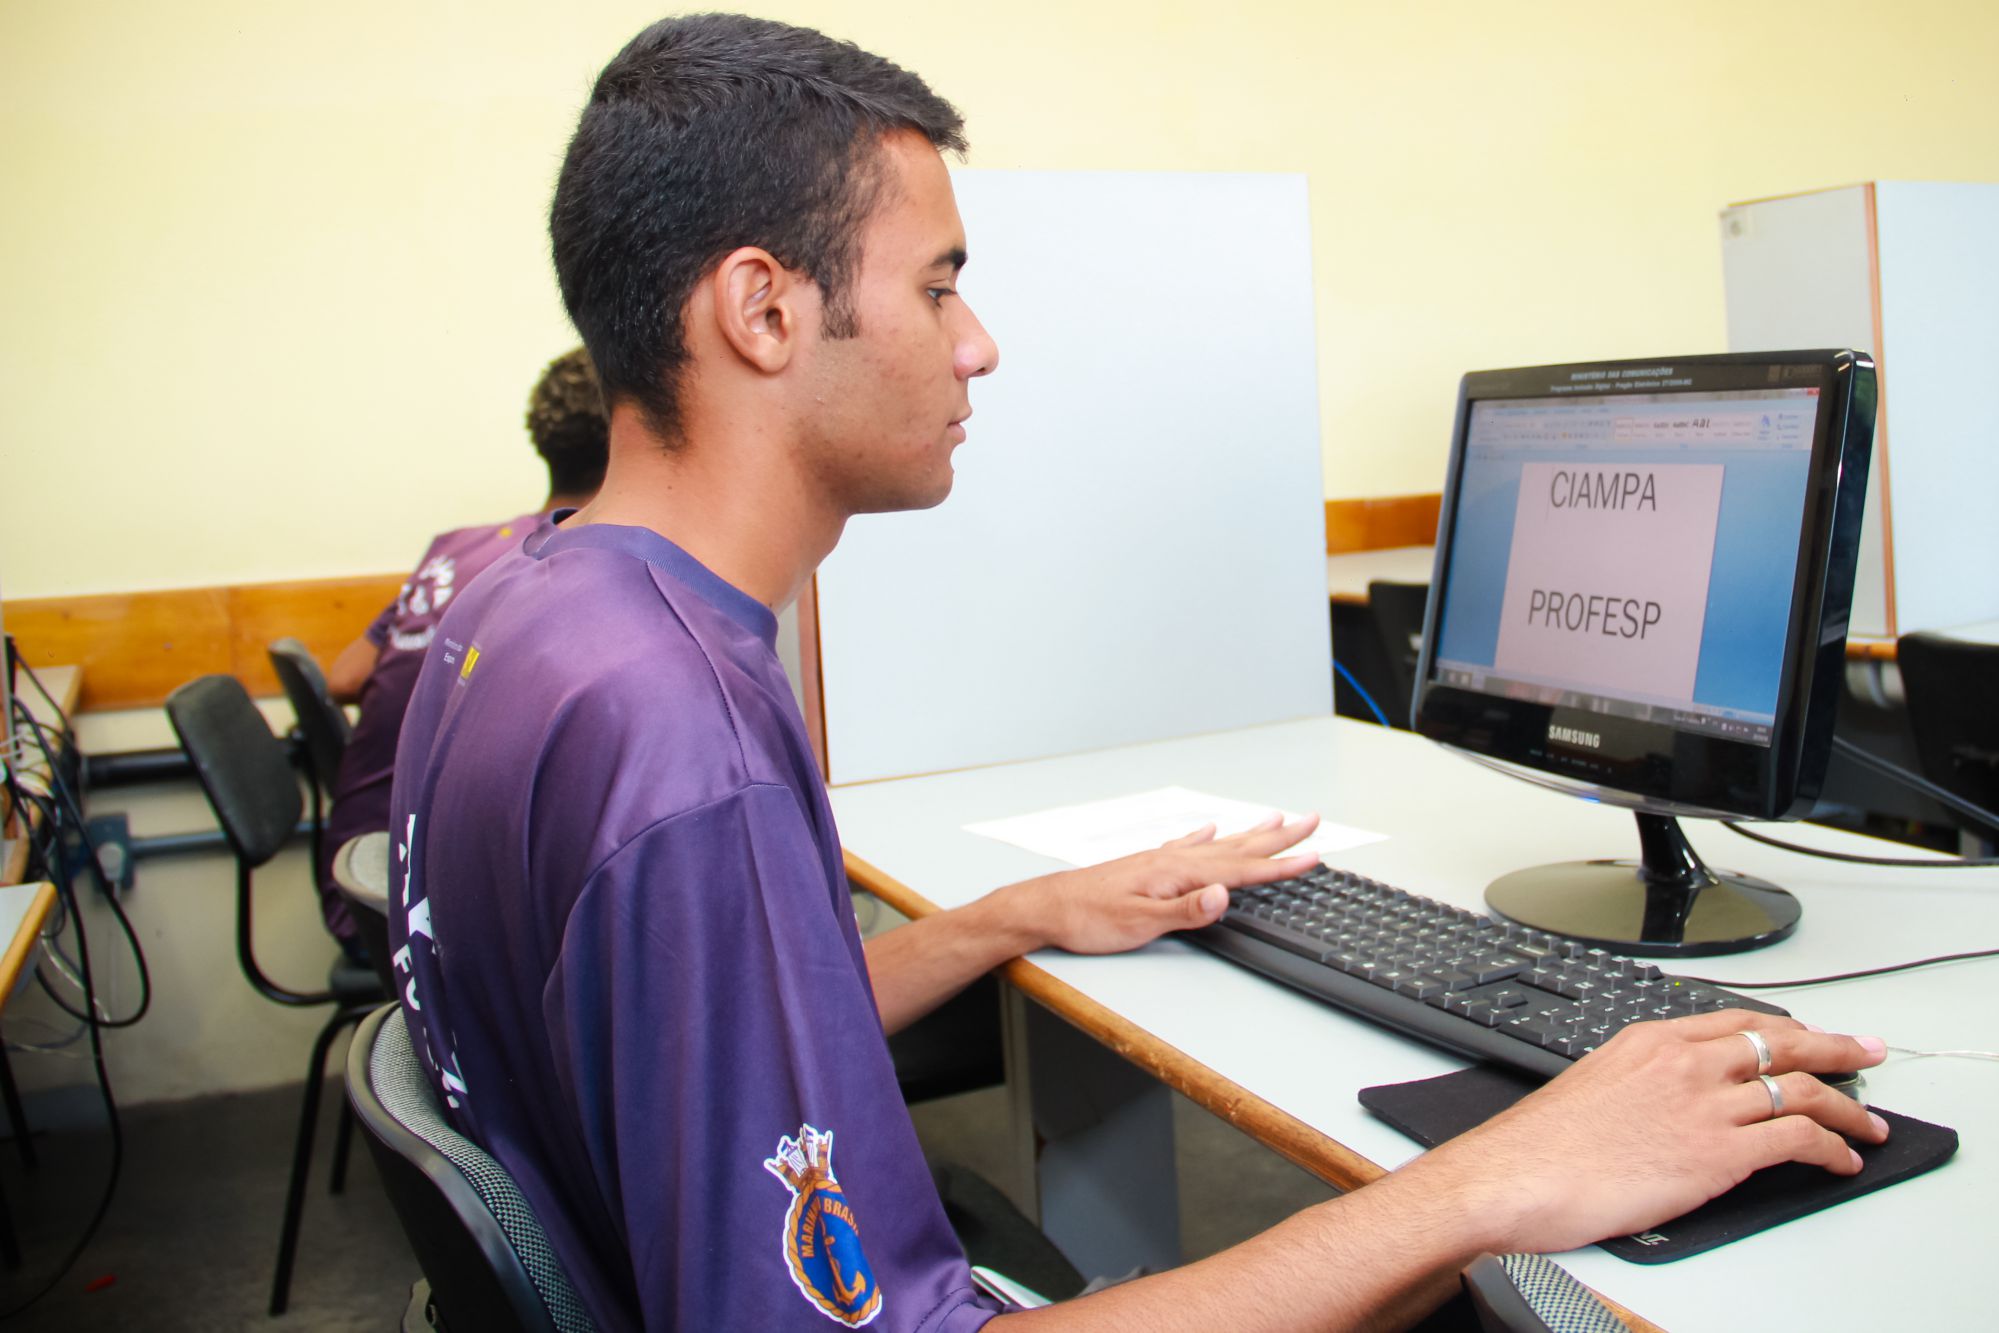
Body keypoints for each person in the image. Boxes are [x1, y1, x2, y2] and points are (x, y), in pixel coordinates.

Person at [388, 15, 1889, 1331]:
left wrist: (1013, 915)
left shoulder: (532, 619)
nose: (978, 345)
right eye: (938, 287)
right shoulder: (685, 732)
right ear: (763, 309)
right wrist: (1493, 1178)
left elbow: (699, 1035)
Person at [317, 348, 605, 960]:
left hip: (364, 870)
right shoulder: (576, 566)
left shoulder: (455, 551)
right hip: (418, 919)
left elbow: (344, 678)